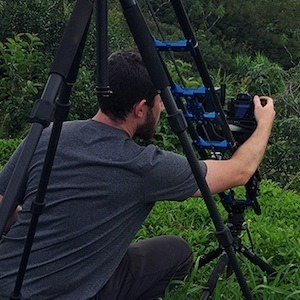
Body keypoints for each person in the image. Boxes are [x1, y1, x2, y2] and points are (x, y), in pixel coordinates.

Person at [0, 49, 275, 300]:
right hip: (71, 293)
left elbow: (3, 201)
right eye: (159, 101)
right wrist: (264, 123)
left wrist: (34, 223)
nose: (163, 108)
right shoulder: (144, 166)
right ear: (140, 108)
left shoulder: (49, 133)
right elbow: (240, 171)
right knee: (177, 252)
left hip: (6, 280)